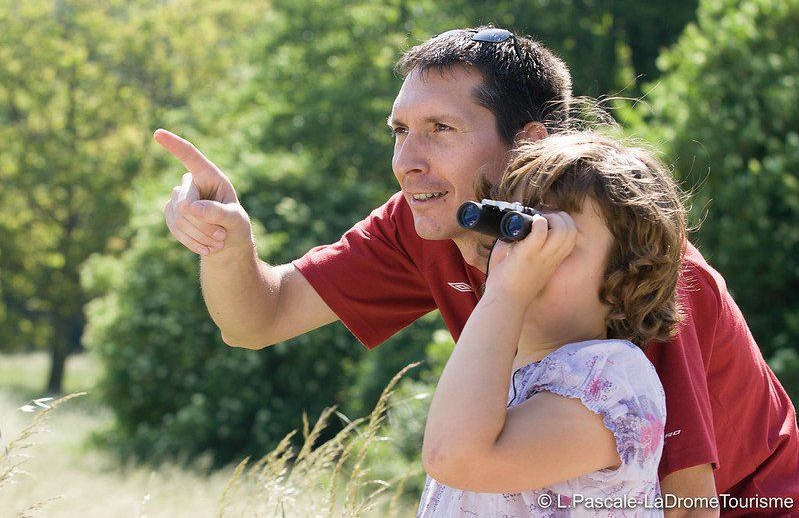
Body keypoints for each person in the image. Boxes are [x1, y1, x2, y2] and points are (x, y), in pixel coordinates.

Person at [156, 26, 799, 515]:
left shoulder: (629, 261)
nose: (407, 160)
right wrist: (226, 244)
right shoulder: (425, 220)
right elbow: (257, 319)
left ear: (529, 142)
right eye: (398, 130)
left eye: (440, 129)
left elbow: (690, 494)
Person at [417, 131, 682, 516]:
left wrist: (505, 293)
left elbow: (452, 457)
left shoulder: (612, 377)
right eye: (519, 229)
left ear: (623, 275)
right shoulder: (495, 377)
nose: (524, 253)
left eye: (553, 238)